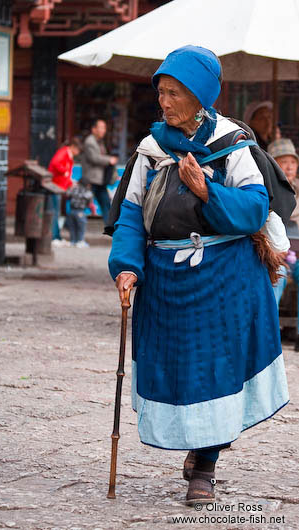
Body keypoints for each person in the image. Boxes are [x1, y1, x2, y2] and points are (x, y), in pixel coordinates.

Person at [108, 45, 289, 505]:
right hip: (166, 282)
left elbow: (253, 210)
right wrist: (126, 266)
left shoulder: (232, 145)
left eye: (175, 93)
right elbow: (131, 217)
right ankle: (197, 447)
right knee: (177, 370)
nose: (164, 103)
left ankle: (204, 467)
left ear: (201, 95)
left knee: (216, 370)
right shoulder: (150, 151)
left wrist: (206, 189)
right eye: (162, 93)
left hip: (223, 280)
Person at [268, 138, 299, 346]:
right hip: (274, 255)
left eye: (292, 162)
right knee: (276, 276)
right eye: (282, 162)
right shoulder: (266, 189)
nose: (288, 167)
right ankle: (269, 335)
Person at [81, 119, 118, 225]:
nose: (103, 130)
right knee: (82, 203)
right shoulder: (90, 141)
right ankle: (70, 226)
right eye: (101, 128)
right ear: (94, 129)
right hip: (91, 179)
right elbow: (94, 158)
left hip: (99, 180)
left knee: (106, 203)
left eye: (104, 128)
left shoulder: (99, 142)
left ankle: (110, 226)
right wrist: (109, 160)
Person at [48, 137, 82, 246]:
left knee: (57, 212)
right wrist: (65, 173)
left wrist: (69, 180)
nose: (77, 153)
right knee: (54, 212)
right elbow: (55, 163)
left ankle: (57, 236)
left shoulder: (68, 155)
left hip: (59, 186)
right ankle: (53, 237)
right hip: (54, 186)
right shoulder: (64, 153)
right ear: (73, 147)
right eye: (77, 150)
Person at [66, 178, 96, 248]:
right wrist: (93, 212)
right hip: (80, 212)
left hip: (71, 211)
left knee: (72, 227)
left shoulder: (73, 189)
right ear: (88, 185)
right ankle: (80, 241)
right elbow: (90, 204)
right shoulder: (88, 192)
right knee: (81, 227)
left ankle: (73, 241)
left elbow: (67, 195)